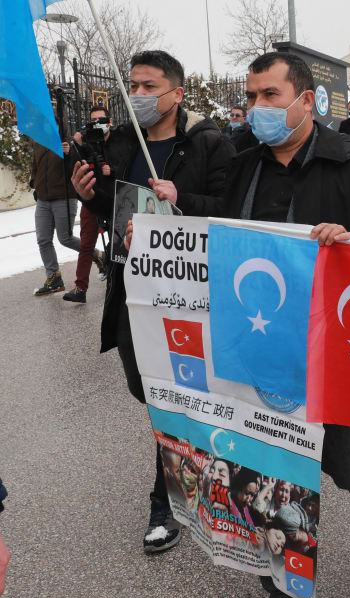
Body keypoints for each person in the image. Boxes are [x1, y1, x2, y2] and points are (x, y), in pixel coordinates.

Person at [220, 51, 350, 598]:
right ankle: (289, 588)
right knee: (275, 467)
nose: (257, 108)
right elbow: (218, 225)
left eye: (270, 96)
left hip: (341, 350)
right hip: (265, 350)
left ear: (306, 101)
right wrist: (167, 208)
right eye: (252, 96)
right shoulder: (243, 164)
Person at [70, 49, 235, 555]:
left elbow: (228, 212)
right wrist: (87, 194)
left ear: (177, 93)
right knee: (147, 390)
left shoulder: (209, 144)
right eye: (133, 86)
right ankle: (194, 466)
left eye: (149, 86)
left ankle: (168, 502)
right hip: (130, 293)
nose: (138, 95)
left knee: (174, 398)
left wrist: (181, 198)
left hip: (189, 298)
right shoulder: (122, 142)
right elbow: (113, 203)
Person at [63, 106, 109, 303]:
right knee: (86, 242)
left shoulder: (117, 141)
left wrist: (111, 169)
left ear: (109, 122)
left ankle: (120, 280)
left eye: (101, 120)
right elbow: (73, 170)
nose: (97, 124)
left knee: (120, 241)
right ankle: (80, 287)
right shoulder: (83, 143)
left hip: (114, 197)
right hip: (91, 197)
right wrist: (75, 148)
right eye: (92, 120)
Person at [30, 127, 80, 296]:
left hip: (64, 197)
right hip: (43, 200)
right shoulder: (38, 142)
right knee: (43, 240)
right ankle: (54, 278)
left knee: (65, 238)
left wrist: (69, 154)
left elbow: (77, 165)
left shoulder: (67, 143)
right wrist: (34, 184)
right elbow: (35, 167)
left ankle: (99, 256)